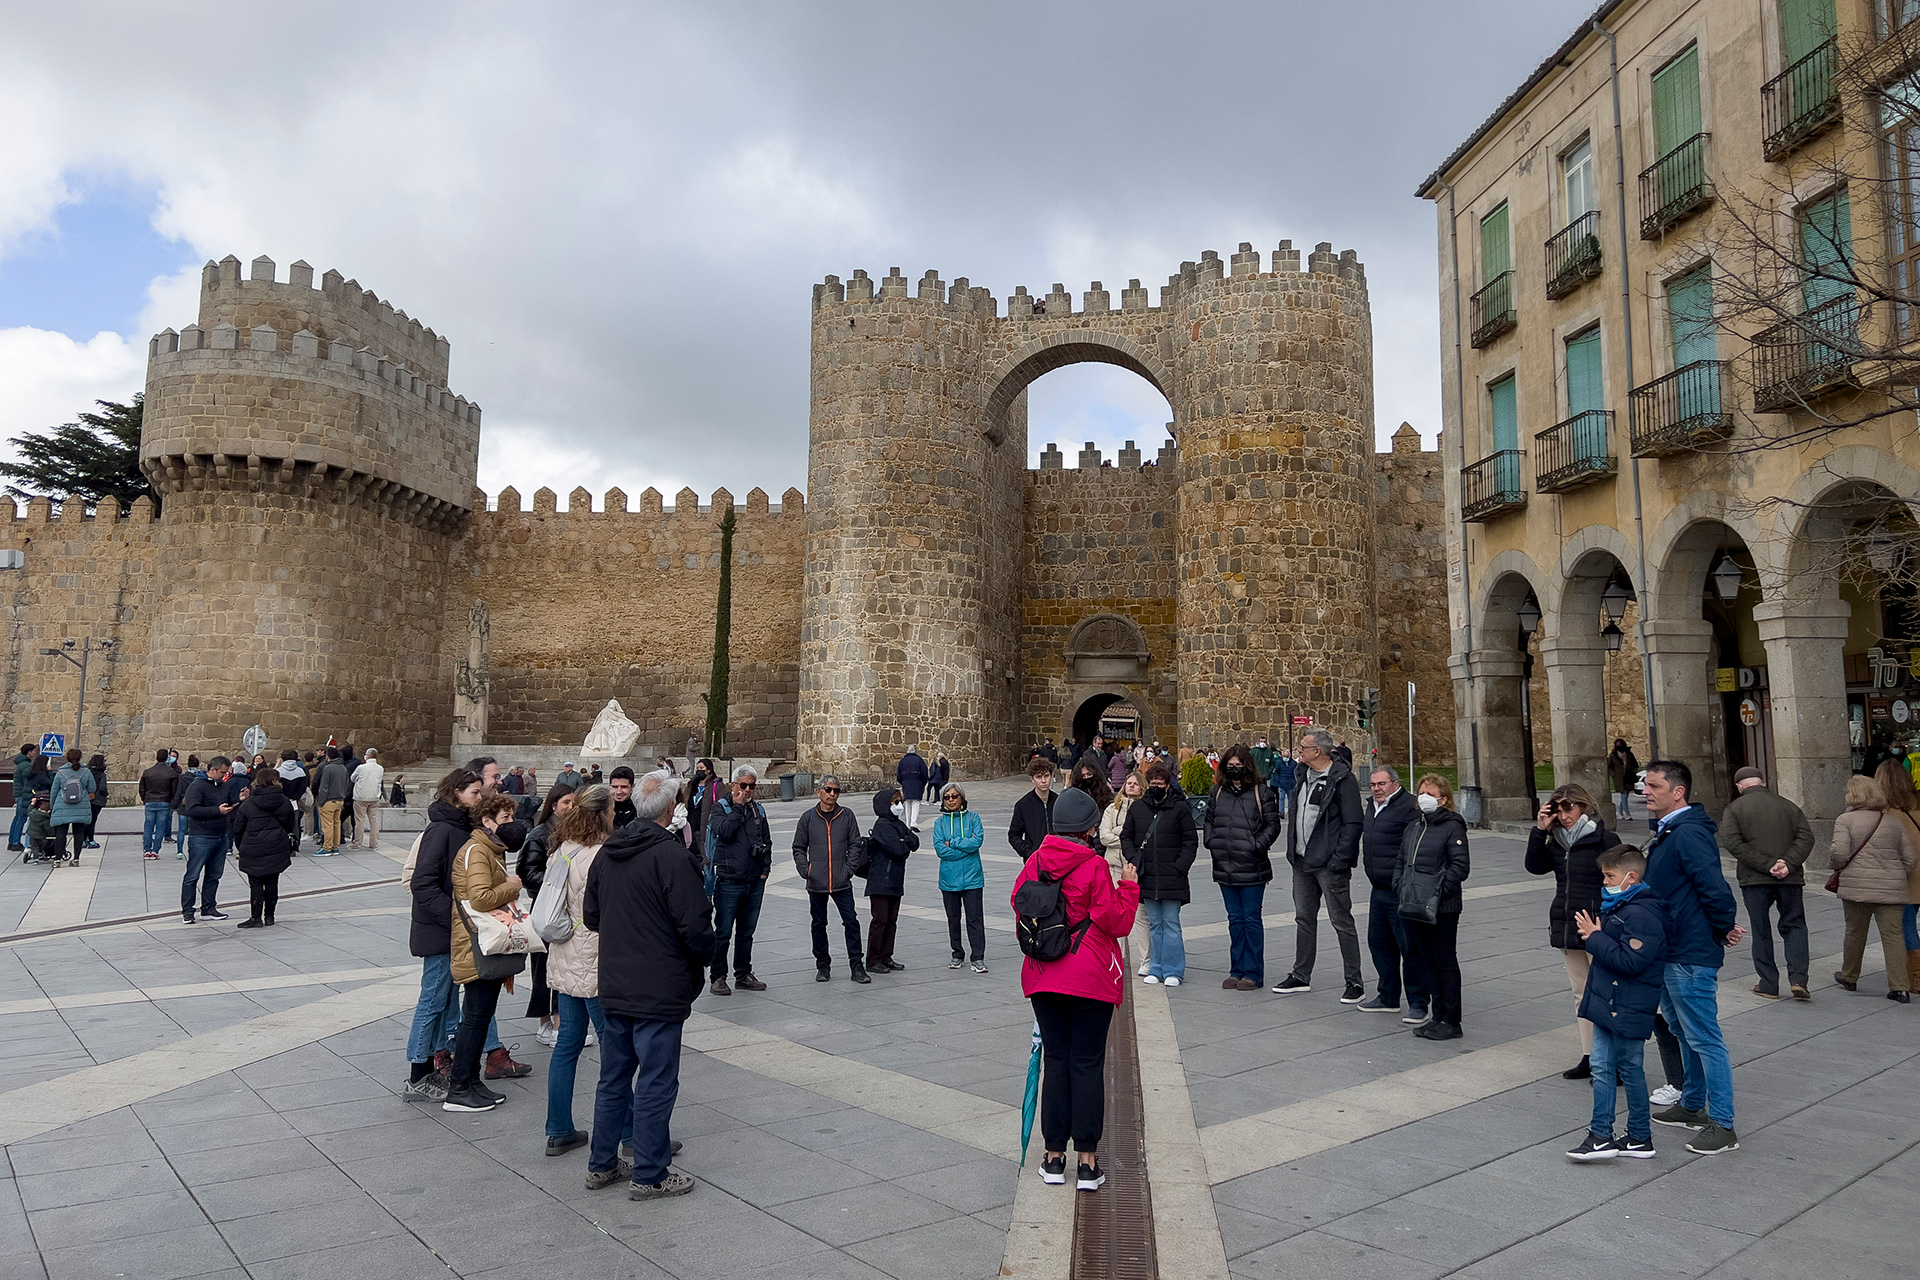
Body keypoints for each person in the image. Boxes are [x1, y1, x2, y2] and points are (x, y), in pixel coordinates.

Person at [584, 769, 713, 1200]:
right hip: (659, 987)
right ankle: (651, 1173)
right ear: (672, 810)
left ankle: (602, 1163)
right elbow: (695, 928)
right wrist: (703, 957)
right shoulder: (673, 858)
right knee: (657, 1079)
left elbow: (592, 917)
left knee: (614, 1077)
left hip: (617, 984)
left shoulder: (608, 853)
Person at [1012, 786, 1140, 1192]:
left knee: (1058, 1061)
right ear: (1087, 829)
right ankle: (1087, 1162)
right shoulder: (1095, 867)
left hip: (1044, 975)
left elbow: (1019, 902)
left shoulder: (1034, 862)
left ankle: (1053, 1158)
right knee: (1086, 1064)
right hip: (1089, 978)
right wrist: (1130, 887)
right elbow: (1116, 922)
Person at [1641, 759, 1745, 1156]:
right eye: (1645, 785)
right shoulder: (1671, 831)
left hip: (1688, 952)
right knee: (1684, 1032)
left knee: (1705, 1038)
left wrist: (1722, 927)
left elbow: (1714, 889)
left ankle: (1723, 1124)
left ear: (1677, 791)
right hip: (1672, 949)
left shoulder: (1687, 833)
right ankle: (1692, 1105)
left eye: (1653, 785)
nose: (1646, 791)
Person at [403, 768, 525, 1104]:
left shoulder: (461, 828)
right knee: (435, 1000)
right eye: (474, 791)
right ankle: (418, 1071)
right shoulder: (442, 829)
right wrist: (457, 918)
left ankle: (454, 1068)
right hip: (442, 931)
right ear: (456, 792)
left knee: (456, 1004)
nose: (479, 796)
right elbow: (422, 883)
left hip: (456, 929)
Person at [1565, 845, 1668, 1162]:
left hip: (1627, 1005)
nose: (1605, 881)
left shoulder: (1641, 914)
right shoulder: (1623, 907)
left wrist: (1594, 936)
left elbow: (1630, 961)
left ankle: (1633, 1136)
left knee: (1628, 1069)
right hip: (1611, 1003)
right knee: (1604, 1068)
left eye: (1610, 876)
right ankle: (1607, 1135)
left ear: (1631, 878)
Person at [1525, 783, 1623, 1075]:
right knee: (1581, 993)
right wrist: (1540, 829)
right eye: (1558, 809)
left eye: (1569, 807)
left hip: (1597, 924)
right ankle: (1590, 1055)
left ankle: (1612, 1060)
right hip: (1567, 923)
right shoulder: (1555, 840)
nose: (1564, 815)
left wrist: (1608, 920)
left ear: (1584, 806)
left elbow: (1620, 883)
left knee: (1605, 993)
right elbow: (1534, 866)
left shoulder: (1604, 838)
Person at [544, 783, 619, 1154]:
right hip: (594, 957)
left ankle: (558, 1129)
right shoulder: (602, 855)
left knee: (567, 1045)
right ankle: (633, 1135)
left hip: (564, 953)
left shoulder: (561, 850)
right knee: (614, 1047)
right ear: (604, 813)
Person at [442, 792, 528, 1113]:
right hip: (476, 946)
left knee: (480, 1016)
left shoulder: (489, 850)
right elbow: (479, 898)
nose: (511, 825)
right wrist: (513, 885)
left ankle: (473, 1081)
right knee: (475, 1018)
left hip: (483, 945)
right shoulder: (478, 851)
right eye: (505, 819)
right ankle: (459, 1088)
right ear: (488, 822)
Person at [1274, 728, 1364, 1000]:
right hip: (1302, 862)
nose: (1299, 751)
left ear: (1318, 751)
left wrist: (1339, 860)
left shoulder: (1342, 780)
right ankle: (1301, 974)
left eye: (1303, 747)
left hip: (1329, 864)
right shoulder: (1302, 775)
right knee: (1304, 918)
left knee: (1341, 920)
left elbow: (1353, 823)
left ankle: (1354, 981)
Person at [1718, 766, 1815, 1002]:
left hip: (1754, 879)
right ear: (1762, 782)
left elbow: (1731, 841)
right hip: (1789, 879)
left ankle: (1768, 984)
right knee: (1795, 925)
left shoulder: (1734, 809)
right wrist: (1787, 863)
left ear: (1740, 786)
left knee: (1761, 930)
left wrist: (1766, 864)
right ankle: (1798, 980)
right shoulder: (1788, 806)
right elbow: (1806, 837)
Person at [1828, 774, 1917, 1004]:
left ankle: (1850, 976)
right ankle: (1900, 987)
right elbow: (1909, 859)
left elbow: (1839, 853)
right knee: (1894, 936)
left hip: (1857, 887)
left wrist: (1838, 868)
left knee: (1855, 932)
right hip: (1891, 889)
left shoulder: (1845, 820)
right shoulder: (1892, 821)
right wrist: (1896, 877)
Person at [1399, 774, 1470, 1041]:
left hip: (1443, 907)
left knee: (1444, 961)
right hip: (1414, 904)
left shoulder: (1452, 827)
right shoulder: (1414, 826)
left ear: (1444, 799)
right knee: (1427, 961)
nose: (1425, 798)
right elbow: (1401, 860)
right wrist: (1401, 886)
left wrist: (1437, 894)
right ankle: (1437, 1016)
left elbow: (1460, 867)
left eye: (1431, 794)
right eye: (1422, 793)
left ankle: (1452, 1019)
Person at [1207, 744, 1280, 992]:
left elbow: (1273, 825)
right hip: (1224, 864)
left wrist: (1256, 845)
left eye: (1239, 764)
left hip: (1252, 866)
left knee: (1250, 920)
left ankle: (1253, 972)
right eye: (1230, 764)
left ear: (1247, 766)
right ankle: (1236, 969)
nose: (1234, 768)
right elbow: (1209, 820)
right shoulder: (1217, 792)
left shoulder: (1262, 792)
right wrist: (1211, 842)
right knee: (1234, 921)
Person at [1121, 759, 1196, 987]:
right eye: (1152, 782)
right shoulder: (1138, 808)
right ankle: (1157, 966)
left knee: (1171, 923)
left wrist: (1179, 867)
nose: (1156, 786)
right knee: (1154, 924)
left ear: (1167, 785)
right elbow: (1126, 836)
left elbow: (1190, 841)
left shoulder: (1180, 808)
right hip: (1147, 874)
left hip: (1172, 876)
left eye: (1160, 783)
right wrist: (1135, 859)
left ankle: (1174, 969)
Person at [1358, 765, 1425, 1016]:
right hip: (1378, 887)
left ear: (1395, 784)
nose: (1376, 789)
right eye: (1373, 784)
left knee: (1409, 948)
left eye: (1381, 784)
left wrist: (1403, 879)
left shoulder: (1409, 807)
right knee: (1379, 944)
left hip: (1400, 889)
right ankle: (1388, 996)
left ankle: (1419, 1002)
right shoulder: (1372, 806)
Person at [793, 774, 868, 983]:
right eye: (828, 790)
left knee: (851, 922)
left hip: (841, 880)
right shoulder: (808, 818)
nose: (832, 794)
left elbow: (855, 844)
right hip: (816, 882)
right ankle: (823, 966)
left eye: (836, 790)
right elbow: (798, 847)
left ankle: (857, 966)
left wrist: (849, 868)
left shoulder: (846, 815)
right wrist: (805, 869)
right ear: (819, 792)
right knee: (818, 924)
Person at [520, 782, 577, 1046]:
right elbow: (527, 872)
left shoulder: (574, 831)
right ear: (553, 804)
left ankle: (557, 1021)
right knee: (543, 967)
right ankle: (546, 1022)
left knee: (561, 965)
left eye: (573, 802)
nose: (571, 807)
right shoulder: (540, 833)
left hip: (566, 907)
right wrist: (558, 880)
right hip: (546, 906)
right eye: (566, 802)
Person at [708, 766, 772, 995]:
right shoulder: (721, 808)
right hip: (729, 880)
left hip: (754, 880)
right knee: (723, 931)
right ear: (733, 785)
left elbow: (766, 841)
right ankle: (718, 977)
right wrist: (737, 808)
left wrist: (765, 870)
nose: (747, 790)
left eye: (751, 786)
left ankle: (743, 973)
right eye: (743, 785)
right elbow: (723, 831)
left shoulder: (758, 810)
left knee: (746, 932)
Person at [231, 767, 298, 928]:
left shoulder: (248, 804)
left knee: (255, 883)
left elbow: (238, 828)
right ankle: (270, 916)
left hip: (252, 847)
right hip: (277, 846)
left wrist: (242, 847)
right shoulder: (284, 802)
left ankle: (255, 917)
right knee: (272, 881)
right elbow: (290, 826)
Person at [1874, 759, 1920, 994]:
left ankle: (1915, 977)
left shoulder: (1883, 813)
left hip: (1903, 877)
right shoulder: (1917, 804)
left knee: (1906, 925)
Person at [864, 787, 919, 972]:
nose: (900, 806)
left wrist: (904, 841)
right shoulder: (882, 825)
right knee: (880, 920)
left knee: (891, 920)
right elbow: (898, 850)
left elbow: (915, 841)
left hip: (895, 880)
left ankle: (886, 956)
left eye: (900, 802)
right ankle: (873, 959)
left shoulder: (897, 823)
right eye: (895, 802)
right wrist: (904, 843)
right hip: (881, 880)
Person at [935, 783, 987, 972]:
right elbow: (941, 849)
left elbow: (977, 841)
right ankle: (957, 953)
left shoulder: (973, 818)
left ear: (961, 798)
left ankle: (978, 956)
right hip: (949, 879)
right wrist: (965, 850)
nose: (951, 800)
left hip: (972, 877)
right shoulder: (939, 823)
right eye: (947, 797)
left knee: (975, 919)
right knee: (953, 918)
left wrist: (954, 843)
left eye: (954, 796)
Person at [179, 756, 235, 922]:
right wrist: (216, 811)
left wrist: (240, 800)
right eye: (223, 772)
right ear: (213, 770)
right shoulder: (196, 786)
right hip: (201, 836)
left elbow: (228, 805)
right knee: (192, 875)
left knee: (214, 875)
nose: (225, 775)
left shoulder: (224, 786)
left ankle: (209, 908)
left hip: (221, 835)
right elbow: (192, 809)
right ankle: (188, 911)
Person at [47, 748, 96, 864]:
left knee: (61, 833)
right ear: (80, 758)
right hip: (80, 806)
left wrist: (52, 806)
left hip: (62, 805)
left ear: (67, 758)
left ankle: (58, 859)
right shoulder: (86, 772)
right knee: (78, 833)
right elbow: (92, 788)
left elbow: (54, 790)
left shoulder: (60, 772)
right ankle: (76, 859)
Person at [1009, 759, 1058, 861]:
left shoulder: (1059, 802)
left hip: (1058, 858)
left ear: (1052, 775)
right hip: (1035, 861)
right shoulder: (1023, 805)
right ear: (1032, 779)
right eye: (1039, 777)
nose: (1043, 781)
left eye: (1046, 776)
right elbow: (1014, 835)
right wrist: (1029, 852)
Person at [1099, 771, 1142, 882]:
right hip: (1113, 867)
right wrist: (1127, 839)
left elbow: (1141, 839)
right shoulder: (1112, 808)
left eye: (1135, 784)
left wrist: (1116, 830)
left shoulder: (1145, 809)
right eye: (1129, 783)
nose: (1131, 785)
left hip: (1136, 868)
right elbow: (1104, 837)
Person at [139, 748, 179, 860]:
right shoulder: (171, 773)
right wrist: (172, 801)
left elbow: (142, 788)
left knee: (148, 826)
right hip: (164, 801)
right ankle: (155, 851)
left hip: (150, 801)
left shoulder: (148, 772)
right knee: (160, 827)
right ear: (167, 758)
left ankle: (147, 850)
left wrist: (145, 798)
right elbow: (174, 790)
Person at [312, 747, 351, 855]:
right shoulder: (343, 768)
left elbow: (324, 786)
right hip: (340, 799)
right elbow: (346, 784)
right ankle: (335, 846)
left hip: (328, 800)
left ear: (327, 756)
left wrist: (321, 801)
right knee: (336, 823)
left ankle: (327, 847)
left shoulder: (328, 768)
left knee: (327, 825)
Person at [350, 748, 385, 850]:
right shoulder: (380, 768)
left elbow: (352, 778)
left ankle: (357, 843)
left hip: (361, 797)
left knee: (359, 821)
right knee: (374, 821)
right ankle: (374, 844)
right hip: (374, 797)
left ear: (368, 756)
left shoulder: (361, 768)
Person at [8, 744, 38, 852]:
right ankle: (16, 842)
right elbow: (28, 781)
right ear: (28, 752)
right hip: (23, 795)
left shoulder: (21, 763)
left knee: (17, 817)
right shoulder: (26, 765)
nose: (35, 753)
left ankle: (12, 841)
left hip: (18, 794)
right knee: (22, 818)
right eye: (33, 751)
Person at [275, 750, 309, 850]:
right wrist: (295, 798)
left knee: (281, 823)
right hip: (295, 802)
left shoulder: (278, 772)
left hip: (281, 802)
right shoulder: (301, 771)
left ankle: (283, 845)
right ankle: (295, 845)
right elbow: (303, 787)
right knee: (295, 823)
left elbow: (277, 787)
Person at [79, 752, 108, 850]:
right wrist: (104, 794)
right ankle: (90, 840)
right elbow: (102, 787)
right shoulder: (101, 774)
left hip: (86, 798)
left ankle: (83, 840)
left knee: (85, 820)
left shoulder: (86, 772)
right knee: (92, 820)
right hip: (97, 800)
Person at [896, 746, 929, 828]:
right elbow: (924, 773)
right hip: (917, 783)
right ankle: (913, 822)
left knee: (907, 803)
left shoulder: (902, 761)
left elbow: (898, 776)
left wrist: (903, 782)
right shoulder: (919, 760)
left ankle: (908, 822)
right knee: (916, 802)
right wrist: (923, 783)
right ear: (915, 751)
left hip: (906, 783)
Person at [1608, 738, 1640, 821]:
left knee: (1625, 795)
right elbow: (1609, 767)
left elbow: (1635, 764)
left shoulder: (1629, 754)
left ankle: (1620, 812)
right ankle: (1627, 813)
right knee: (1624, 794)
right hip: (1619, 778)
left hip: (1628, 776)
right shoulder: (1613, 755)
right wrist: (1614, 774)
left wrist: (1633, 771)